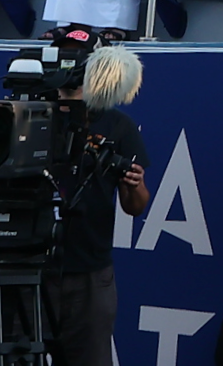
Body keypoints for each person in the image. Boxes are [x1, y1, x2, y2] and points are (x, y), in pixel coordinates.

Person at [47, 41, 152, 366]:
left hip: (89, 270)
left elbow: (136, 206)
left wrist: (134, 185)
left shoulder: (118, 125)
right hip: (30, 265)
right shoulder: (32, 116)